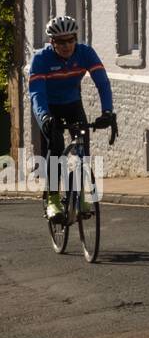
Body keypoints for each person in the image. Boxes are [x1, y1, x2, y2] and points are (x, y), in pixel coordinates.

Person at [28, 16, 115, 220]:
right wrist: (44, 116)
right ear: (52, 43)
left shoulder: (85, 53)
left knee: (83, 146)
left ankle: (81, 194)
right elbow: (37, 94)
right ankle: (53, 198)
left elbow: (102, 83)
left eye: (70, 40)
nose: (67, 46)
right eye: (61, 42)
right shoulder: (41, 59)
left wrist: (108, 112)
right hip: (48, 108)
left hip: (72, 104)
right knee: (56, 147)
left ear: (76, 38)